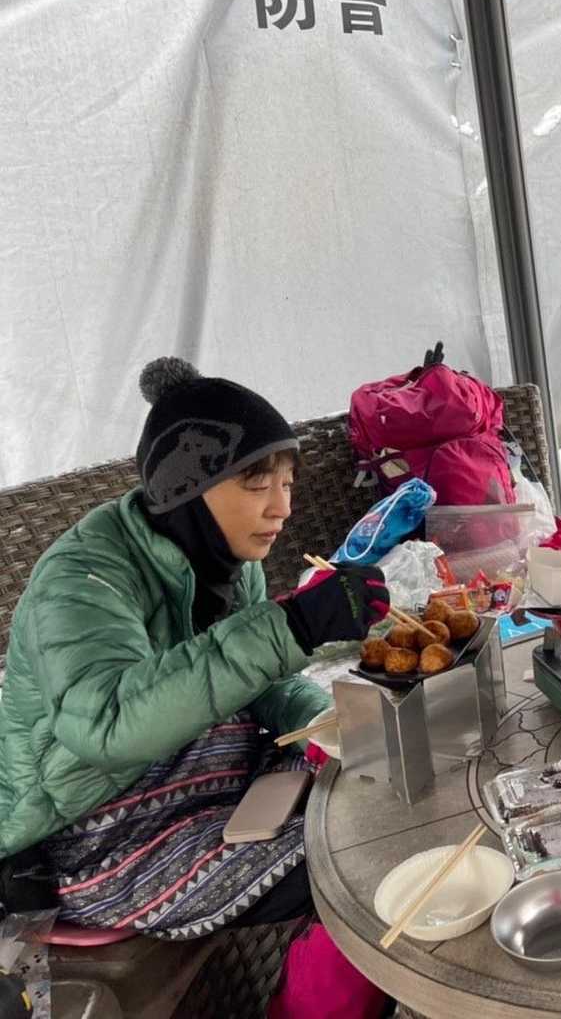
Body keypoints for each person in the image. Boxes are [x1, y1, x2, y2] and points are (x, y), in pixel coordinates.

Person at [0, 358, 390, 940]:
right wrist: (289, 627)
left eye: (286, 483)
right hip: (83, 826)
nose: (282, 508)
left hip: (195, 764)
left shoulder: (227, 558)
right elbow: (106, 725)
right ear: (184, 490)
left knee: (367, 789)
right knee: (347, 858)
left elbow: (256, 682)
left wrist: (330, 727)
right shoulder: (82, 577)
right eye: (256, 484)